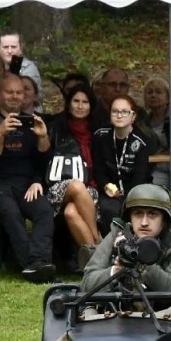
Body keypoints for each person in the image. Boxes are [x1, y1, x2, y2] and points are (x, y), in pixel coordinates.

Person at [0, 72, 56, 283]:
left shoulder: (32, 122)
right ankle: (32, 265)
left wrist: (43, 137)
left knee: (44, 210)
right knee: (11, 213)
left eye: (19, 92)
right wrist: (0, 134)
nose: (15, 96)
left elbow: (43, 158)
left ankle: (39, 262)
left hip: (26, 184)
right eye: (9, 92)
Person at [78, 184, 171, 299]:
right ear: (130, 217)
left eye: (152, 214)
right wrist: (116, 271)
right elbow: (87, 284)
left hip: (161, 311)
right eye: (138, 213)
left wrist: (138, 262)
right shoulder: (117, 235)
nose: (144, 222)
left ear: (164, 219)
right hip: (114, 309)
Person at [41, 84, 103, 267]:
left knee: (70, 212)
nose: (80, 106)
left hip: (89, 187)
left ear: (91, 106)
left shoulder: (97, 131)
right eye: (76, 101)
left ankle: (95, 264)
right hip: (57, 187)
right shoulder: (55, 128)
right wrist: (42, 137)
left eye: (85, 102)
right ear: (68, 104)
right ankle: (99, 241)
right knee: (76, 186)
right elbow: (42, 156)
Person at [92, 96, 153, 227]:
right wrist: (106, 185)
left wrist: (126, 198)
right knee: (107, 208)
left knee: (130, 209)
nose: (119, 115)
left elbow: (140, 177)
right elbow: (98, 169)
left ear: (133, 116)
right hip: (109, 192)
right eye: (115, 111)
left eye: (124, 112)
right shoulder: (100, 135)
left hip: (135, 191)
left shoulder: (141, 141)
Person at [142, 76, 171, 189]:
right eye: (149, 92)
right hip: (156, 168)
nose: (153, 95)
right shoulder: (142, 121)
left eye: (158, 92)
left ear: (168, 98)